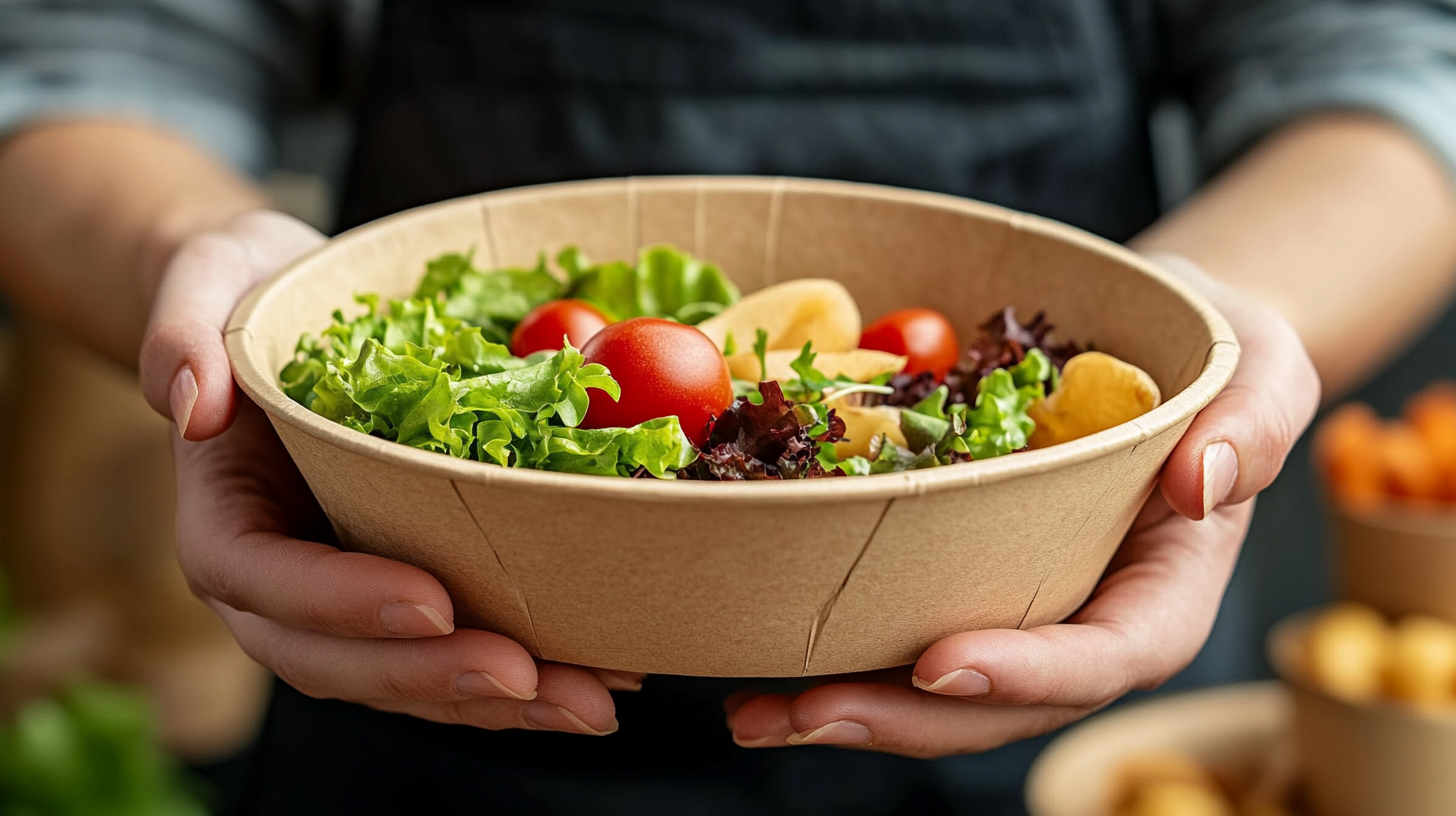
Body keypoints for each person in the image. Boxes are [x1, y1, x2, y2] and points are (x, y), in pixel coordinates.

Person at [2, 1, 1454, 813]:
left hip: (1054, 646)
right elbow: (103, 62)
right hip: (437, 669)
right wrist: (222, 304)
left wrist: (1212, 338)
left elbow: (1387, 65)